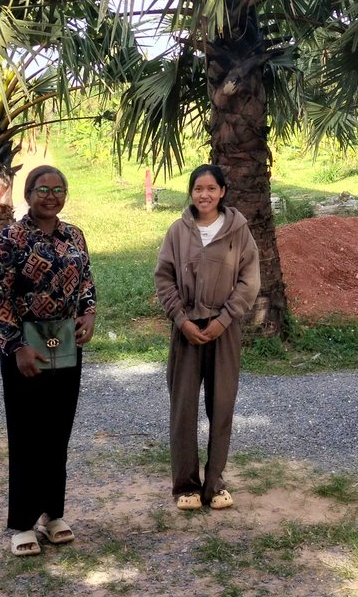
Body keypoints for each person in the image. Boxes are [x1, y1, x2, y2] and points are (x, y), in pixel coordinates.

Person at [0, 165, 96, 556]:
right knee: (27, 432)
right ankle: (22, 523)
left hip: (66, 343)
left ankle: (53, 514)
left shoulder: (74, 236)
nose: (51, 196)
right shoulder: (11, 238)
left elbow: (86, 283)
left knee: (58, 430)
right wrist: (16, 346)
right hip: (25, 347)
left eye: (58, 189)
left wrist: (89, 314)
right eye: (42, 189)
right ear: (28, 194)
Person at [154, 163, 260, 510]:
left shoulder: (238, 230)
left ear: (223, 192)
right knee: (183, 406)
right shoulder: (178, 231)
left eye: (211, 189)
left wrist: (224, 319)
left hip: (224, 330)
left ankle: (214, 484)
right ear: (191, 193)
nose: (205, 195)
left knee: (222, 404)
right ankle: (185, 485)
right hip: (186, 330)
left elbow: (249, 281)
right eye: (198, 189)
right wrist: (182, 321)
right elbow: (164, 279)